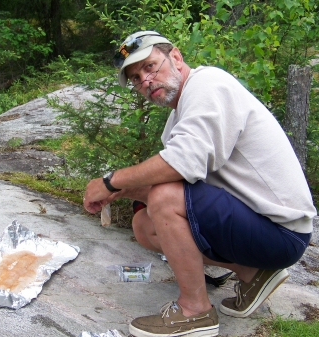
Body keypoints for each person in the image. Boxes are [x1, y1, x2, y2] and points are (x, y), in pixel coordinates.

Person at [83, 31, 316, 337]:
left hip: (282, 232)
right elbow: (187, 182)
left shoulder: (208, 86)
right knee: (144, 223)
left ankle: (195, 312)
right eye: (137, 79)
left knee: (164, 198)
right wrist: (118, 193)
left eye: (151, 67)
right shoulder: (178, 118)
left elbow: (181, 166)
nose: (146, 81)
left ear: (176, 58)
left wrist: (111, 182)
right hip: (255, 222)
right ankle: (253, 273)